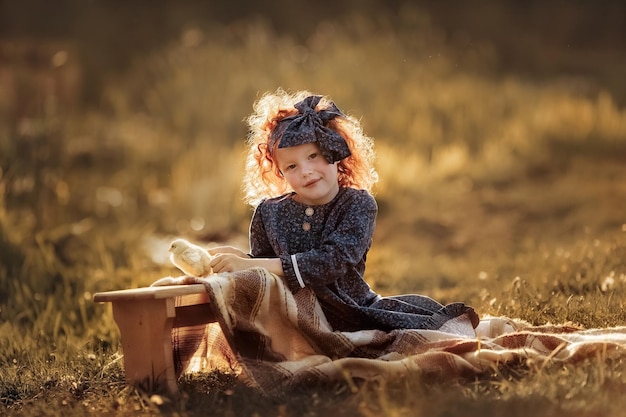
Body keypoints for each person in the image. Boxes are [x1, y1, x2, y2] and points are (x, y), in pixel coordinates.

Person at [207, 89, 479, 333]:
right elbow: (266, 273)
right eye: (291, 167)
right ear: (279, 174)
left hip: (352, 313)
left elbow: (332, 262)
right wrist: (240, 260)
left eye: (313, 156)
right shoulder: (269, 213)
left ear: (334, 151)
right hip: (292, 320)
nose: (306, 171)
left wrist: (251, 263)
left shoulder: (358, 205)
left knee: (420, 333)